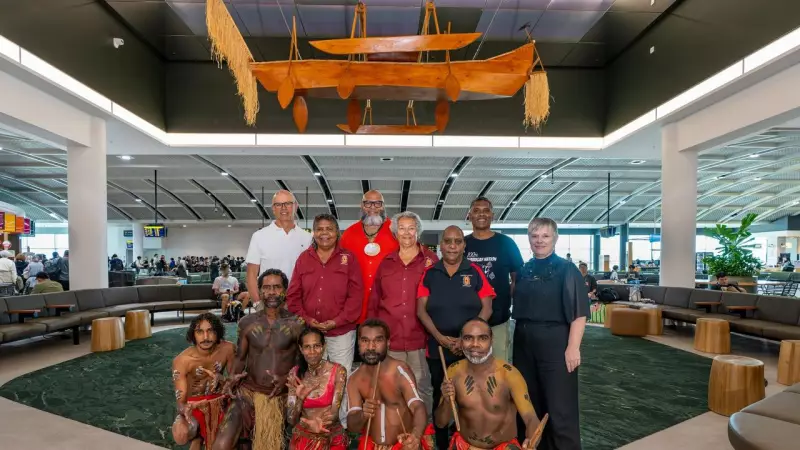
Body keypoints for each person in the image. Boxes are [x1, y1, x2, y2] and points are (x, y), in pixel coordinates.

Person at [513, 218, 588, 450]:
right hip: (523, 344)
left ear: (555, 238)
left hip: (555, 343)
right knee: (529, 403)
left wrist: (573, 347)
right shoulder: (524, 270)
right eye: (534, 236)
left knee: (559, 407)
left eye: (545, 236)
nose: (539, 241)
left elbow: (579, 312)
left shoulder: (567, 270)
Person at [417, 226, 495, 450]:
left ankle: (470, 442)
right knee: (442, 396)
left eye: (458, 241)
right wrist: (439, 336)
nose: (452, 246)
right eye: (448, 241)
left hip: (471, 349)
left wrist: (466, 339)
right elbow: (421, 311)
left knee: (472, 395)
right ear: (441, 245)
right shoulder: (430, 273)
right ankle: (443, 444)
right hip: (438, 349)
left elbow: (487, 308)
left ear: (464, 245)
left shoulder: (474, 271)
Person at [213, 268, 306, 450]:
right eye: (266, 287)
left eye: (277, 287)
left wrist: (287, 379)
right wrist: (231, 377)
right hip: (248, 394)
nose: (271, 292)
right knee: (221, 445)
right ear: (260, 291)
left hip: (279, 397)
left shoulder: (297, 324)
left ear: (285, 290)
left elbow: (302, 362)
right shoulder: (247, 323)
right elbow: (240, 358)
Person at [368, 211, 436, 417]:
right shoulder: (386, 262)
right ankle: (395, 428)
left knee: (421, 387)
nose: (406, 233)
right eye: (402, 228)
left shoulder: (431, 260)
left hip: (420, 338)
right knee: (391, 387)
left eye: (411, 228)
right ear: (395, 233)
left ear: (418, 231)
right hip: (391, 338)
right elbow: (375, 298)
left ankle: (424, 430)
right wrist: (372, 333)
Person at [436, 318, 541, 450]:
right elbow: (440, 423)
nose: (475, 344)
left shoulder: (509, 374)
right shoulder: (453, 371)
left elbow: (531, 418)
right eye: (468, 338)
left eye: (483, 338)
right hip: (464, 445)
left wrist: (531, 441)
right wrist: (446, 400)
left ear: (492, 341)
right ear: (461, 341)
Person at [287, 213, 363, 375]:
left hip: (341, 333)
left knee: (340, 377)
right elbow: (293, 296)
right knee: (312, 378)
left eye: (329, 229)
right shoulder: (304, 258)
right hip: (310, 333)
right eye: (320, 229)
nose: (324, 233)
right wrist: (308, 320)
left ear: (337, 232)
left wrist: (336, 322)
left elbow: (356, 297)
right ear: (314, 233)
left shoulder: (349, 258)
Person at [346, 319, 433, 450]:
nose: (371, 347)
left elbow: (417, 406)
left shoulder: (400, 371)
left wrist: (415, 436)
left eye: (378, 340)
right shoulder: (354, 379)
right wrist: (363, 414)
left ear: (388, 342)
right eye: (365, 340)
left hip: (403, 445)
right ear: (358, 343)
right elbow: (353, 427)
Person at [465, 197, 524, 363]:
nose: (481, 214)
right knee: (471, 370)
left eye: (486, 211)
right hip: (468, 322)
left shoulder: (506, 243)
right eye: (476, 211)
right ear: (469, 215)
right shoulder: (463, 244)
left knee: (498, 369)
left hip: (498, 322)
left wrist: (504, 301)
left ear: (492, 215)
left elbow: (517, 280)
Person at [172, 313, 236, 450]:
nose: (206, 337)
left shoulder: (228, 349)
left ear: (218, 332)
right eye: (200, 332)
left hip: (220, 400)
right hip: (194, 405)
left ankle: (204, 436)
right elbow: (180, 402)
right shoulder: (182, 361)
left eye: (210, 331)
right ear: (193, 335)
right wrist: (185, 410)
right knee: (181, 433)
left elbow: (234, 383)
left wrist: (222, 379)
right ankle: (198, 436)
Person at [340, 189, 399, 324]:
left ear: (383, 206)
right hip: (356, 307)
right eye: (368, 203)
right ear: (361, 205)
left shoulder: (396, 231)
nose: (373, 207)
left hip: (387, 304)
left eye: (377, 203)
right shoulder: (349, 234)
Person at [245, 190, 312, 307]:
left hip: (298, 303)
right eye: (278, 204)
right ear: (273, 208)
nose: (283, 208)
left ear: (296, 206)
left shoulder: (307, 238)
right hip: (269, 303)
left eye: (288, 203)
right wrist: (257, 304)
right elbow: (251, 274)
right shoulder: (259, 236)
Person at [285, 327, 349, 450]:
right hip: (303, 439)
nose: (312, 352)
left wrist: (316, 425)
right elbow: (291, 419)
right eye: (307, 347)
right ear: (301, 349)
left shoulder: (338, 371)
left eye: (317, 346)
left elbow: (334, 414)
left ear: (324, 346)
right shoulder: (294, 374)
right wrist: (300, 399)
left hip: (331, 438)